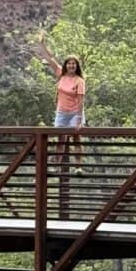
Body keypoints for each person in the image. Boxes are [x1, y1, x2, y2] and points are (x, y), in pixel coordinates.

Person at [36, 38, 86, 172]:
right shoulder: (61, 74)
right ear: (66, 65)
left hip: (75, 113)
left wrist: (79, 119)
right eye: (69, 63)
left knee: (76, 137)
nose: (71, 66)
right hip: (62, 112)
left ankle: (78, 166)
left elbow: (81, 100)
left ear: (77, 66)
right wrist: (41, 45)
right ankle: (56, 167)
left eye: (74, 64)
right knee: (61, 139)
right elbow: (50, 58)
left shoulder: (79, 81)